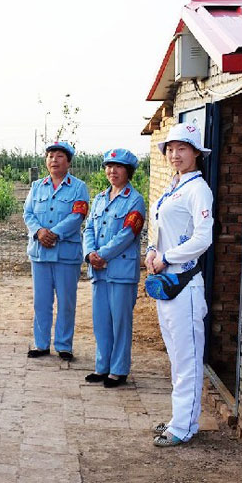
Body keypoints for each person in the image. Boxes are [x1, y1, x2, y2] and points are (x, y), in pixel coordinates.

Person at [145, 123, 214, 447]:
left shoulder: (198, 189)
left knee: (188, 360)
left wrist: (167, 257)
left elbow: (203, 238)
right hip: (167, 282)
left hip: (185, 285)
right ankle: (180, 418)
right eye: (171, 149)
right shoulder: (174, 186)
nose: (175, 154)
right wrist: (152, 250)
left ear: (196, 153)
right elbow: (160, 228)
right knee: (177, 357)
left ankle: (184, 427)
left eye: (182, 148)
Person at [82, 149, 145, 388]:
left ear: (128, 171)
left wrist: (103, 254)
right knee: (101, 321)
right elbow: (89, 228)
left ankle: (118, 370)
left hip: (121, 271)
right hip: (99, 271)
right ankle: (102, 366)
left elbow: (128, 233)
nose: (112, 171)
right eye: (109, 166)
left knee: (120, 322)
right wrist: (90, 253)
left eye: (118, 167)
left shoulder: (135, 200)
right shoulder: (99, 198)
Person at [23, 141, 90, 361]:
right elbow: (28, 213)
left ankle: (64, 345)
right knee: (41, 302)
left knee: (66, 302)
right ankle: (41, 344)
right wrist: (39, 231)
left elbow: (78, 215)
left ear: (68, 162)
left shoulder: (78, 187)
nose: (54, 160)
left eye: (60, 156)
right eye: (50, 156)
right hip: (40, 253)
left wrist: (54, 233)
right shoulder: (37, 186)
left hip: (66, 255)